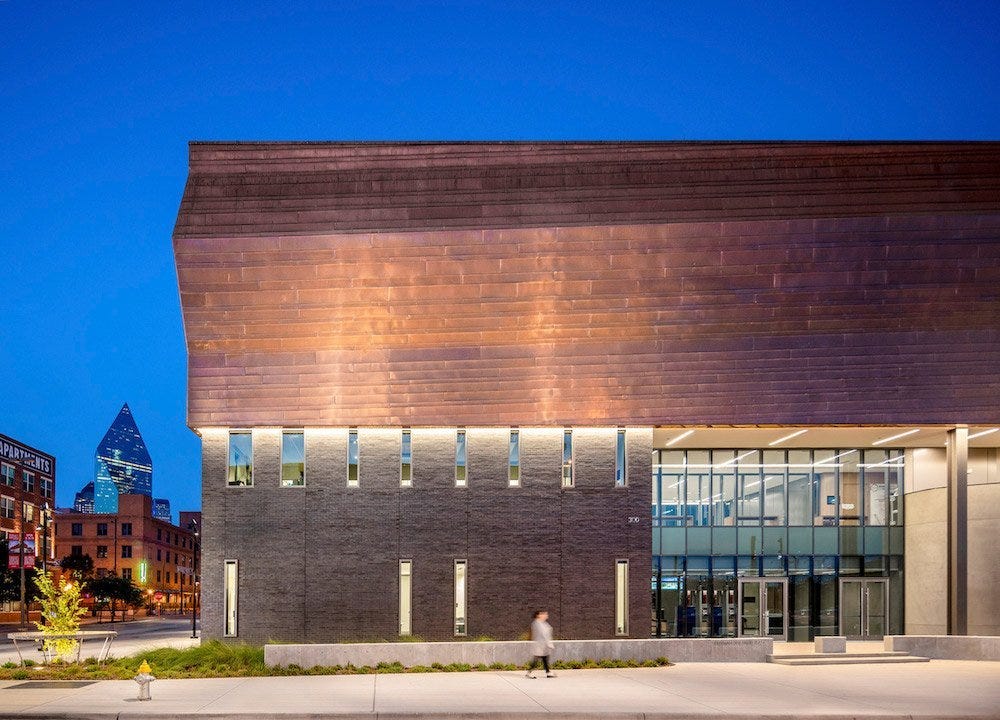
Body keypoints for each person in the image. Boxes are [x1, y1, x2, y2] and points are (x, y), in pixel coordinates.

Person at [525, 610, 556, 678]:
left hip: (543, 645)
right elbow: (543, 634)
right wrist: (549, 643)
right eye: (544, 614)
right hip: (540, 644)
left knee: (545, 658)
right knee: (537, 658)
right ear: (539, 615)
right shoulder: (537, 623)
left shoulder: (542, 623)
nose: (546, 615)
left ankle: (548, 672)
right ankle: (529, 672)